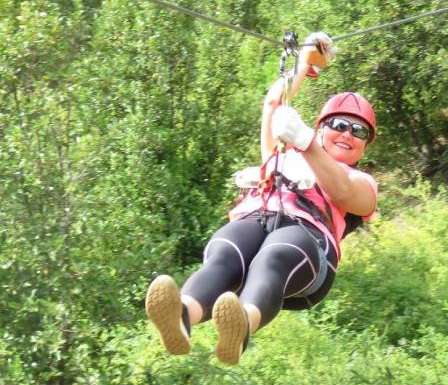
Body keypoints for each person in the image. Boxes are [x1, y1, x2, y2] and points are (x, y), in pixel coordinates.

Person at [145, 33, 378, 365]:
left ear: (366, 145)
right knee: (227, 253)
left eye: (359, 132)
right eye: (340, 125)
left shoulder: (361, 181)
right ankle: (182, 314)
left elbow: (342, 192)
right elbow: (273, 105)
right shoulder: (283, 151)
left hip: (308, 240)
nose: (347, 134)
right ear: (322, 127)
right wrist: (303, 65)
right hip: (258, 216)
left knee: (275, 256)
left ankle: (243, 323)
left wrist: (306, 143)